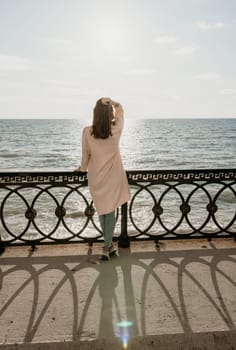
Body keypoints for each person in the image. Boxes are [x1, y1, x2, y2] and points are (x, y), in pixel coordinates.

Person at [75, 97, 130, 260]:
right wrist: (112, 102)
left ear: (95, 114)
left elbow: (86, 156)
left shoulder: (87, 131)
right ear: (109, 114)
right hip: (113, 176)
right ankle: (107, 246)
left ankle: (107, 246)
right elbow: (121, 110)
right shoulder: (116, 128)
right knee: (110, 211)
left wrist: (82, 168)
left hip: (95, 177)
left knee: (102, 210)